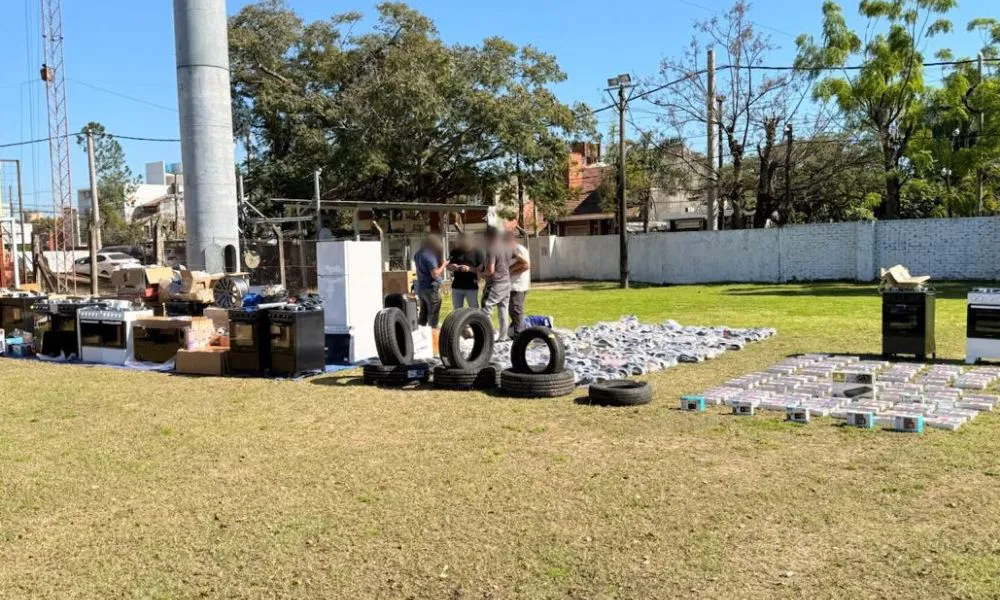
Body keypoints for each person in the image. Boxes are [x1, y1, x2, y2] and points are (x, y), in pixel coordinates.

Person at [480, 226, 512, 341]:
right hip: (507, 282)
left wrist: (481, 274)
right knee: (503, 310)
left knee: (486, 308)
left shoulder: (492, 248)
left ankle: (488, 335)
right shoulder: (507, 247)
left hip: (495, 283)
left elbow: (491, 270)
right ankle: (503, 336)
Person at [413, 235, 448, 328]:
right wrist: (444, 265)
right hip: (431, 289)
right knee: (433, 316)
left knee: (423, 315)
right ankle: (433, 338)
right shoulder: (429, 255)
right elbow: (435, 274)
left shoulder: (418, 254)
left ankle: (421, 336)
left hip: (421, 288)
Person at [447, 232, 484, 309]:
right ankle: (458, 321)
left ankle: (475, 321)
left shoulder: (477, 252)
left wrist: (469, 269)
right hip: (456, 286)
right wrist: (452, 266)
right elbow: (447, 265)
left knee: (473, 308)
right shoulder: (455, 251)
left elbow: (481, 270)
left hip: (471, 286)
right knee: (457, 310)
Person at [507, 231, 531, 338]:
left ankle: (519, 334)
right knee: (512, 310)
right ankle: (514, 331)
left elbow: (526, 265)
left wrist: (510, 271)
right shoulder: (511, 250)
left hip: (518, 286)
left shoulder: (518, 249)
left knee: (516, 310)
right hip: (512, 285)